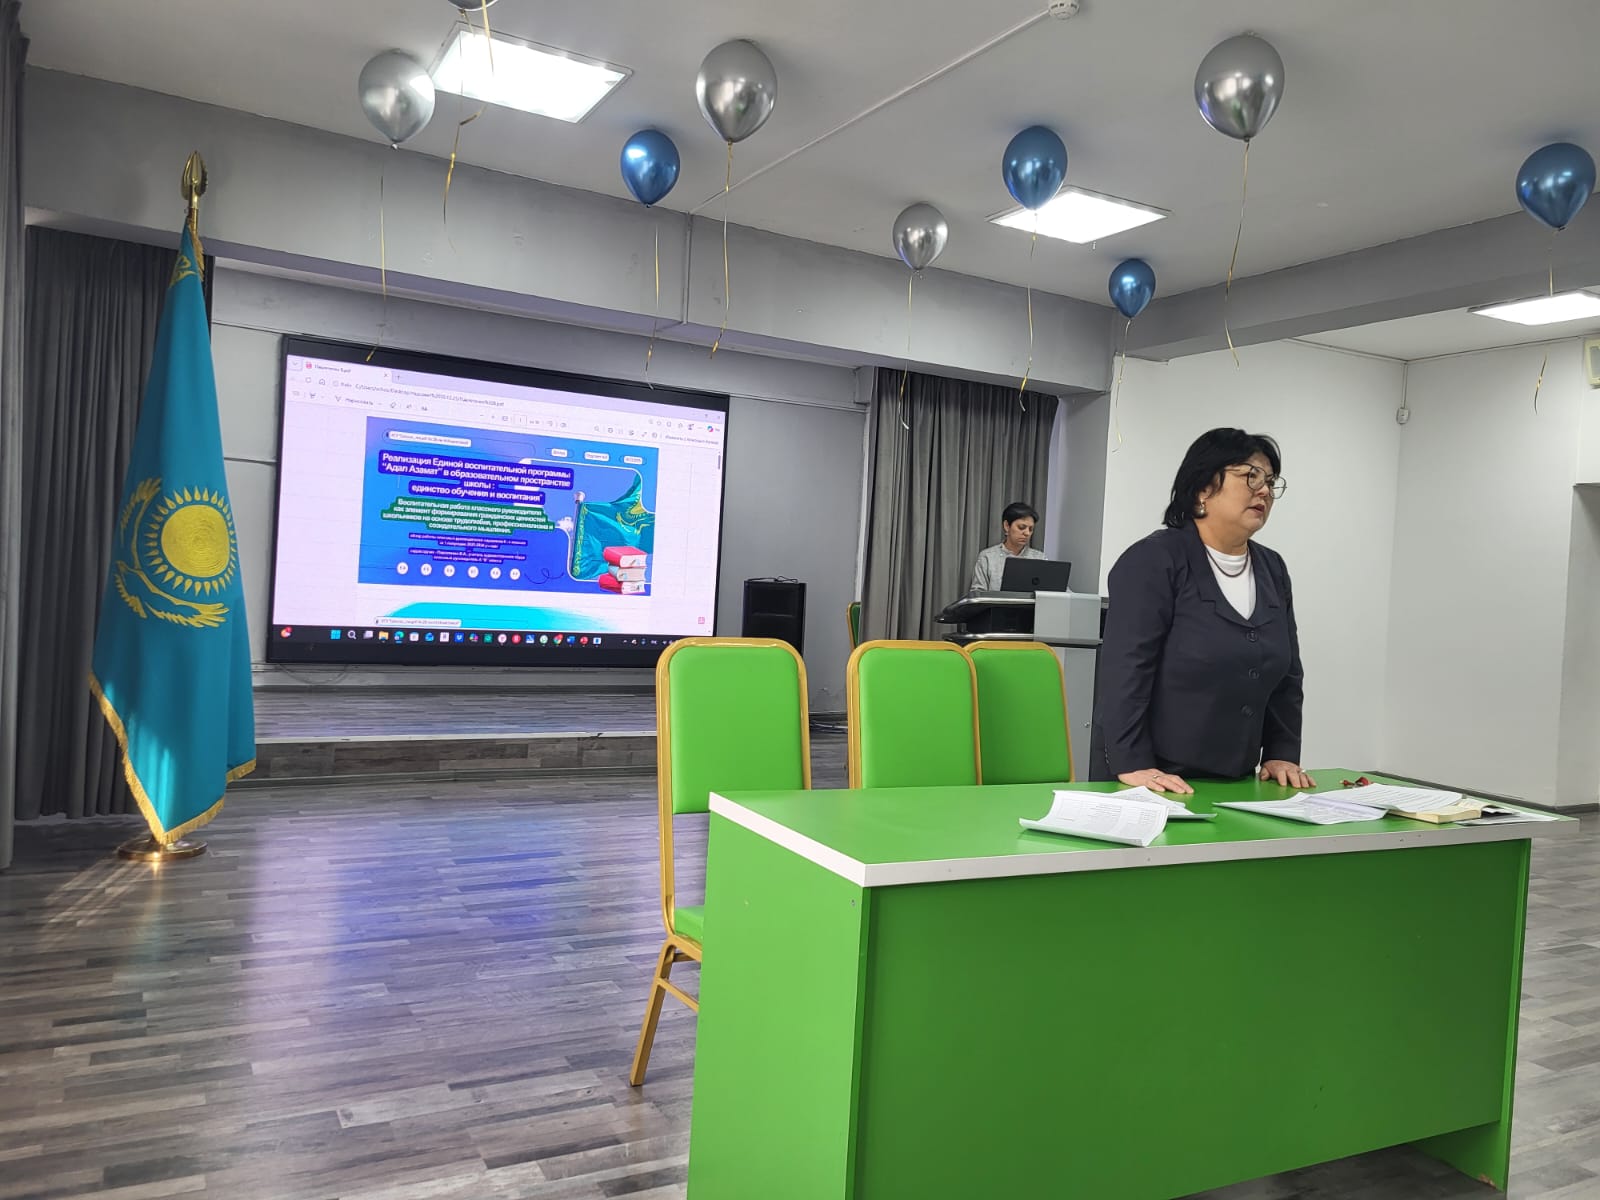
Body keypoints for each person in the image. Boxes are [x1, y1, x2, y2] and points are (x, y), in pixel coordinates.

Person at [1089, 429, 1312, 793]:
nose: (1264, 491)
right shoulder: (1153, 560)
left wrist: (1281, 753)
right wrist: (1133, 764)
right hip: (1150, 777)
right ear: (1203, 488)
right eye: (1251, 476)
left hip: (1235, 779)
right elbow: (1126, 670)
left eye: (1271, 482)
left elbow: (1288, 675)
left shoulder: (1272, 568)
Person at [970, 502, 1044, 592]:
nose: (1027, 533)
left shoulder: (1040, 558)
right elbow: (977, 594)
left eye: (1030, 529)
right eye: (1021, 527)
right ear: (1007, 526)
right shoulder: (987, 557)